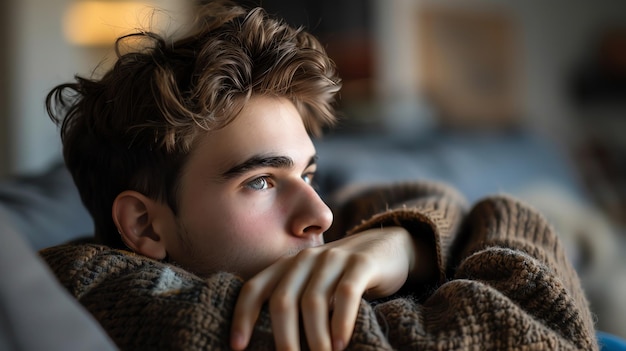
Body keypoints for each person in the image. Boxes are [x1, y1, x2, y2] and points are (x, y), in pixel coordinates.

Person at [41, 1, 599, 350]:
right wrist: (437, 240)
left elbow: (421, 198)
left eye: (307, 173)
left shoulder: (263, 254)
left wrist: (402, 241)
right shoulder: (107, 295)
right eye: (259, 181)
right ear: (144, 226)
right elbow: (543, 333)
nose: (321, 215)